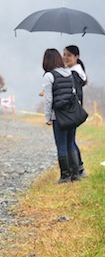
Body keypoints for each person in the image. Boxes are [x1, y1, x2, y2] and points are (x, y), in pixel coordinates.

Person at [43, 48, 80, 183]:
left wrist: (47, 117)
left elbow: (48, 99)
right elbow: (73, 92)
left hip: (58, 116)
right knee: (70, 143)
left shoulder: (49, 76)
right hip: (71, 114)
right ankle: (75, 174)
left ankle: (65, 176)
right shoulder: (69, 72)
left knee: (61, 145)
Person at [63, 45, 87, 177]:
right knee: (70, 140)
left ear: (76, 57)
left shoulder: (74, 73)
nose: (65, 57)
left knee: (69, 140)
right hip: (74, 110)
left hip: (71, 111)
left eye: (69, 55)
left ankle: (78, 169)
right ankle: (78, 168)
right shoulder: (75, 71)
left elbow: (75, 94)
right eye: (64, 54)